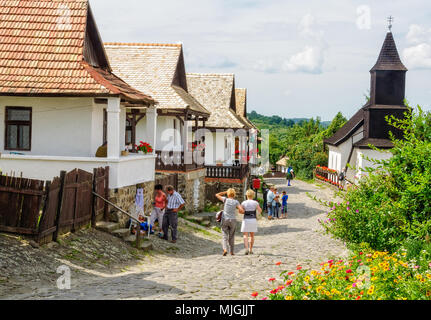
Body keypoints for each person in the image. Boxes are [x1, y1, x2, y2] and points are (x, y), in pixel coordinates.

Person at [216, 188, 245, 256]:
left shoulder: (225, 199)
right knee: (231, 236)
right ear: (234, 194)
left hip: (225, 219)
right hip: (233, 220)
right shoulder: (236, 202)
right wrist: (239, 211)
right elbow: (242, 210)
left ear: (228, 194)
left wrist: (225, 192)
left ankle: (225, 249)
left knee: (224, 235)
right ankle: (232, 251)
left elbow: (217, 195)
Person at [240, 190, 262, 255]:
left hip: (246, 220)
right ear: (253, 195)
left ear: (246, 195)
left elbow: (240, 211)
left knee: (245, 235)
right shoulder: (255, 203)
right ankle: (250, 249)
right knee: (252, 235)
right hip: (253, 220)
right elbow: (260, 210)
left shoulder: (243, 203)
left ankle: (246, 248)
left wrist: (245, 212)